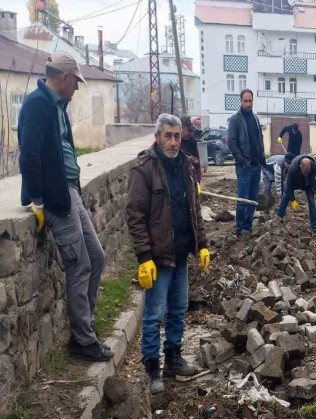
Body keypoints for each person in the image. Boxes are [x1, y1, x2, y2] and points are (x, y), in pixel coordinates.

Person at [18, 52, 112, 363]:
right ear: (64, 77)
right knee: (79, 264)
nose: (76, 89)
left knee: (96, 257)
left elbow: (63, 149)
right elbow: (29, 154)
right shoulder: (37, 104)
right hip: (56, 197)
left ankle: (87, 329)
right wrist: (37, 201)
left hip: (70, 192)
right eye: (76, 83)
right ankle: (83, 341)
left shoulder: (58, 106)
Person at [126, 114, 211, 395]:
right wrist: (144, 257)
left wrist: (202, 244)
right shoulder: (144, 169)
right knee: (154, 314)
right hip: (158, 256)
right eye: (168, 136)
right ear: (157, 137)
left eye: (176, 136)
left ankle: (173, 359)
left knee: (178, 308)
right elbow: (135, 215)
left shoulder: (186, 166)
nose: (173, 141)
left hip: (181, 252)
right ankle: (152, 369)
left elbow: (194, 209)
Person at [228, 89, 265, 237]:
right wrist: (242, 160)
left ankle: (248, 227)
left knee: (253, 198)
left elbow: (259, 139)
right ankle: (239, 229)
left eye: (250, 101)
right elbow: (232, 142)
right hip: (245, 167)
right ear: (241, 101)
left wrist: (262, 158)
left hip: (256, 166)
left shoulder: (255, 118)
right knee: (243, 199)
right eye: (245, 101)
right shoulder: (235, 119)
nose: (248, 104)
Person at [180, 115, 202, 183]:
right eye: (189, 130)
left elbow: (197, 164)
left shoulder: (192, 141)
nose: (190, 133)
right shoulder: (173, 143)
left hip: (190, 181)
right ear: (181, 128)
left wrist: (197, 181)